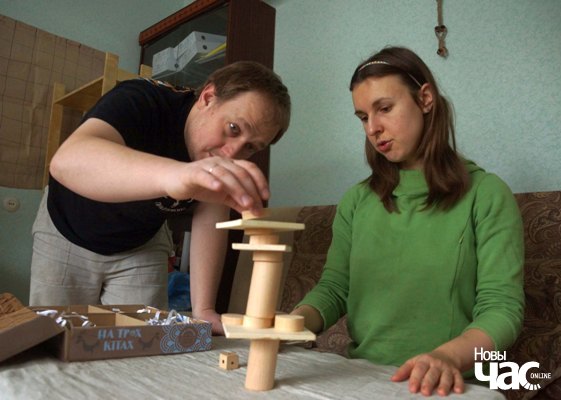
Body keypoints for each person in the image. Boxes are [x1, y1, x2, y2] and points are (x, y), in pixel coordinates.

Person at [291, 46, 524, 396]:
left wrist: (445, 358)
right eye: (363, 117)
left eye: (384, 108)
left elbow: (502, 309)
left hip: (451, 385)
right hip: (363, 378)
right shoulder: (356, 201)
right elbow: (335, 288)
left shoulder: (486, 193)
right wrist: (290, 324)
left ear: (425, 99)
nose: (373, 128)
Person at [30, 61, 291, 335]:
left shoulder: (220, 154)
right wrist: (178, 174)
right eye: (234, 128)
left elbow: (211, 217)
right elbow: (66, 162)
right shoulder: (140, 98)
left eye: (250, 147)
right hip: (67, 229)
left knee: (146, 341)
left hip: (141, 242)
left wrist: (204, 309)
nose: (232, 153)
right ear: (208, 97)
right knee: (52, 339)